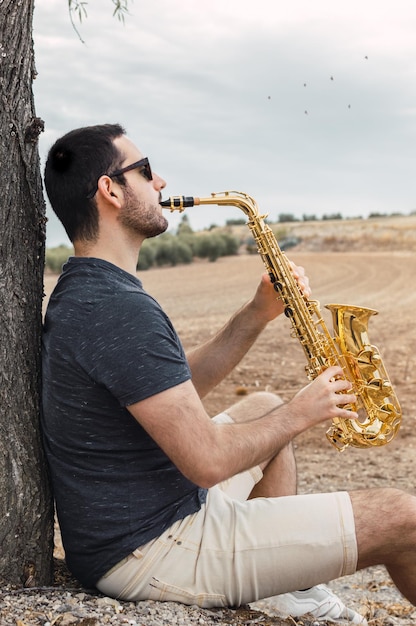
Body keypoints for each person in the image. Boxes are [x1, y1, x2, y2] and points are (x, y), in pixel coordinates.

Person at [41, 124, 416, 625]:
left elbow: (172, 393)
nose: (162, 183)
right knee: (403, 518)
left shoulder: (89, 288)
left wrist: (255, 315)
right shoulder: (116, 308)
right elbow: (208, 462)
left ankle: (289, 592)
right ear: (110, 190)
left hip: (142, 519)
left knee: (260, 407)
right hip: (152, 549)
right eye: (146, 171)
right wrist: (303, 411)